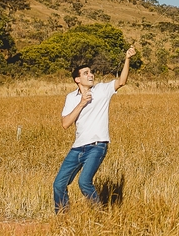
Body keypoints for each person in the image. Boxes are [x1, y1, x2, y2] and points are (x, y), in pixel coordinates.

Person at [53, 46, 137, 213]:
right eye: (85, 73)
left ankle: (99, 216)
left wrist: (127, 59)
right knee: (59, 183)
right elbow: (65, 123)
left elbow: (121, 82)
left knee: (84, 182)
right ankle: (63, 217)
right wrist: (82, 103)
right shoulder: (71, 97)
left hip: (97, 145)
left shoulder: (101, 90)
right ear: (77, 79)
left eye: (91, 72)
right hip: (77, 148)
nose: (91, 75)